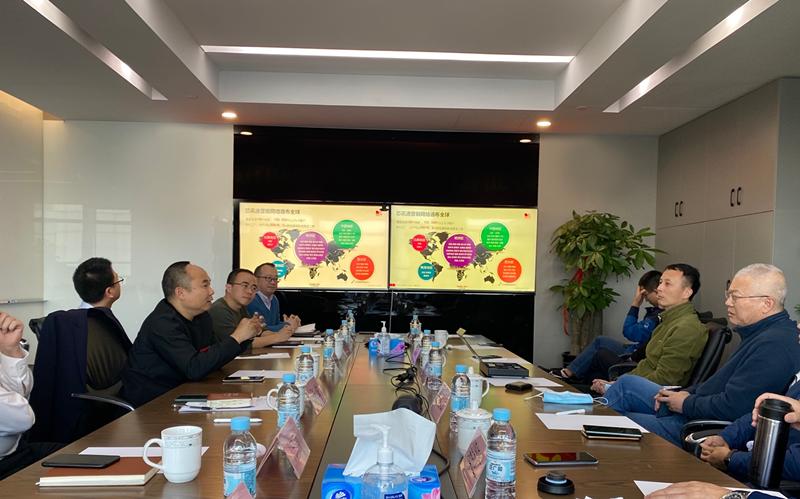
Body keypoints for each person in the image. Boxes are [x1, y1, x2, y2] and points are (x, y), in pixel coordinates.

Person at [598, 263, 800, 446]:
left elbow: (734, 408)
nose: (728, 302)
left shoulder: (774, 344)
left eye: (735, 297)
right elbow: (717, 385)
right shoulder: (760, 333)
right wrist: (685, 393)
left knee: (614, 420)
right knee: (626, 385)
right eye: (728, 295)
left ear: (766, 304)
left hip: (702, 426)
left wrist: (685, 403)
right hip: (694, 407)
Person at [120, 262, 261, 407]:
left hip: (184, 392)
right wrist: (237, 337)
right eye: (205, 285)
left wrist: (246, 336)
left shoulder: (201, 316)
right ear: (180, 293)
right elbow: (194, 368)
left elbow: (214, 356)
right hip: (152, 403)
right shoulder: (162, 323)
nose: (211, 291)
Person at [647, 390, 800, 499]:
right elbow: (757, 416)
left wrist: (730, 459)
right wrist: (726, 437)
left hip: (769, 485)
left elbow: (795, 463)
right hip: (744, 472)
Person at [591, 264, 707, 391]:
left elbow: (665, 379)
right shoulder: (667, 321)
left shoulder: (686, 328)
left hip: (652, 396)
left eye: (667, 284)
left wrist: (618, 387)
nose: (659, 288)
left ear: (686, 292)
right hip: (636, 387)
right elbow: (645, 366)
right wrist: (615, 383)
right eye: (660, 282)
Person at [554, 270, 662, 382]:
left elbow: (630, 332)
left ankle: (568, 374)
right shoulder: (655, 312)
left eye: (645, 295)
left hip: (635, 355)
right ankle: (570, 373)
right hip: (634, 348)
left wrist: (635, 304)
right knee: (600, 341)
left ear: (656, 291)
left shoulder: (657, 316)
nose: (645, 299)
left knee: (600, 351)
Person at [0, 312, 61, 480]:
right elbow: (23, 418)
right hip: (5, 468)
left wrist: (10, 351)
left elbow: (23, 392)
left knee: (82, 456)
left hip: (18, 452)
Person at [209, 268, 293, 348]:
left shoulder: (241, 308)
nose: (250, 291)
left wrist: (283, 334)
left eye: (254, 288)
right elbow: (237, 344)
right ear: (229, 288)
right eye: (245, 286)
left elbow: (259, 331)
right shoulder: (219, 310)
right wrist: (276, 337)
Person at [247, 262, 301, 332]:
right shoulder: (251, 299)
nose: (273, 282)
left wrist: (293, 322)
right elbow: (260, 329)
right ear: (256, 279)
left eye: (275, 278)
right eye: (268, 278)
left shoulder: (274, 299)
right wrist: (288, 325)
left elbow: (275, 325)